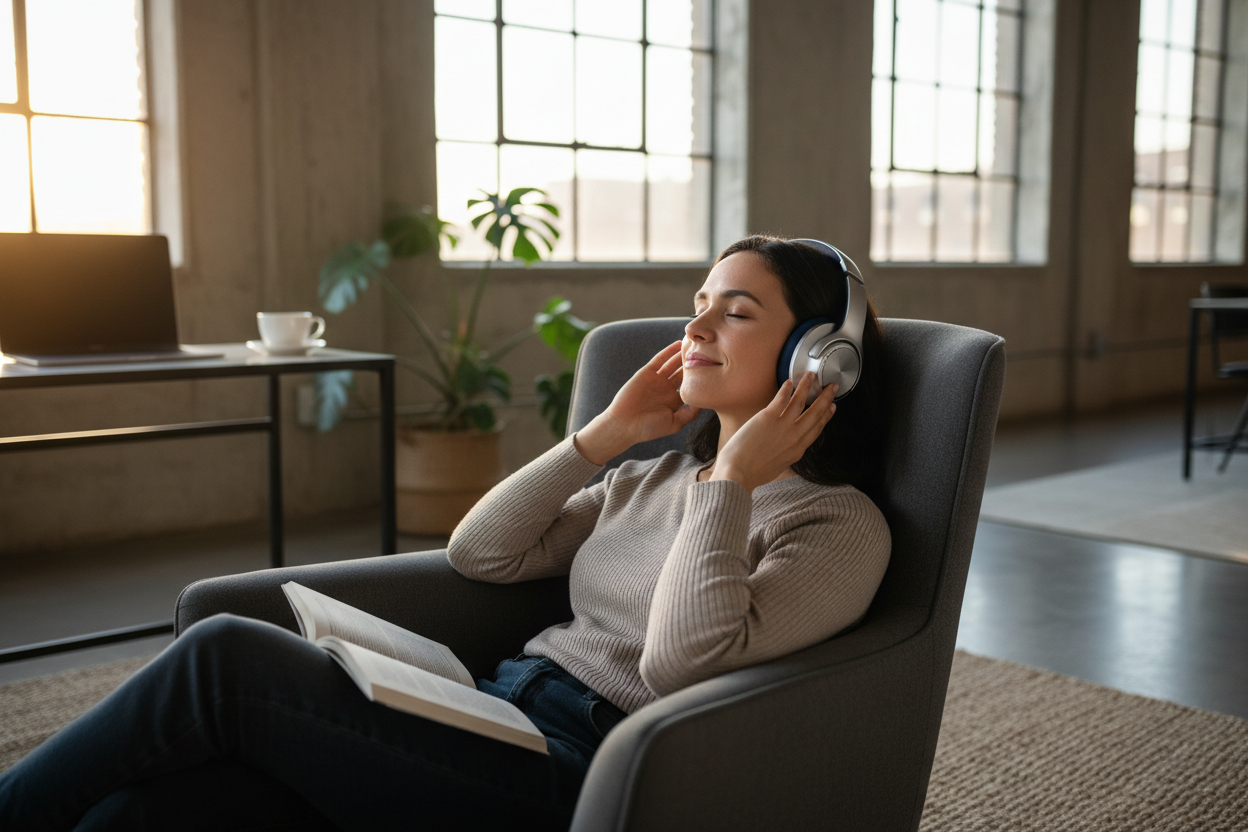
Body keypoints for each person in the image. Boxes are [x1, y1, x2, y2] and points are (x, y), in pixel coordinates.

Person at [0, 235, 891, 831]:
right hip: (488, 713)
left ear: (819, 357)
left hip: (581, 773)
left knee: (226, 655)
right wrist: (600, 439)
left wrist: (732, 482)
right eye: (698, 302)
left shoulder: (835, 523)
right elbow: (483, 553)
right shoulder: (648, 477)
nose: (692, 328)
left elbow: (681, 667)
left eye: (735, 312)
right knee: (148, 811)